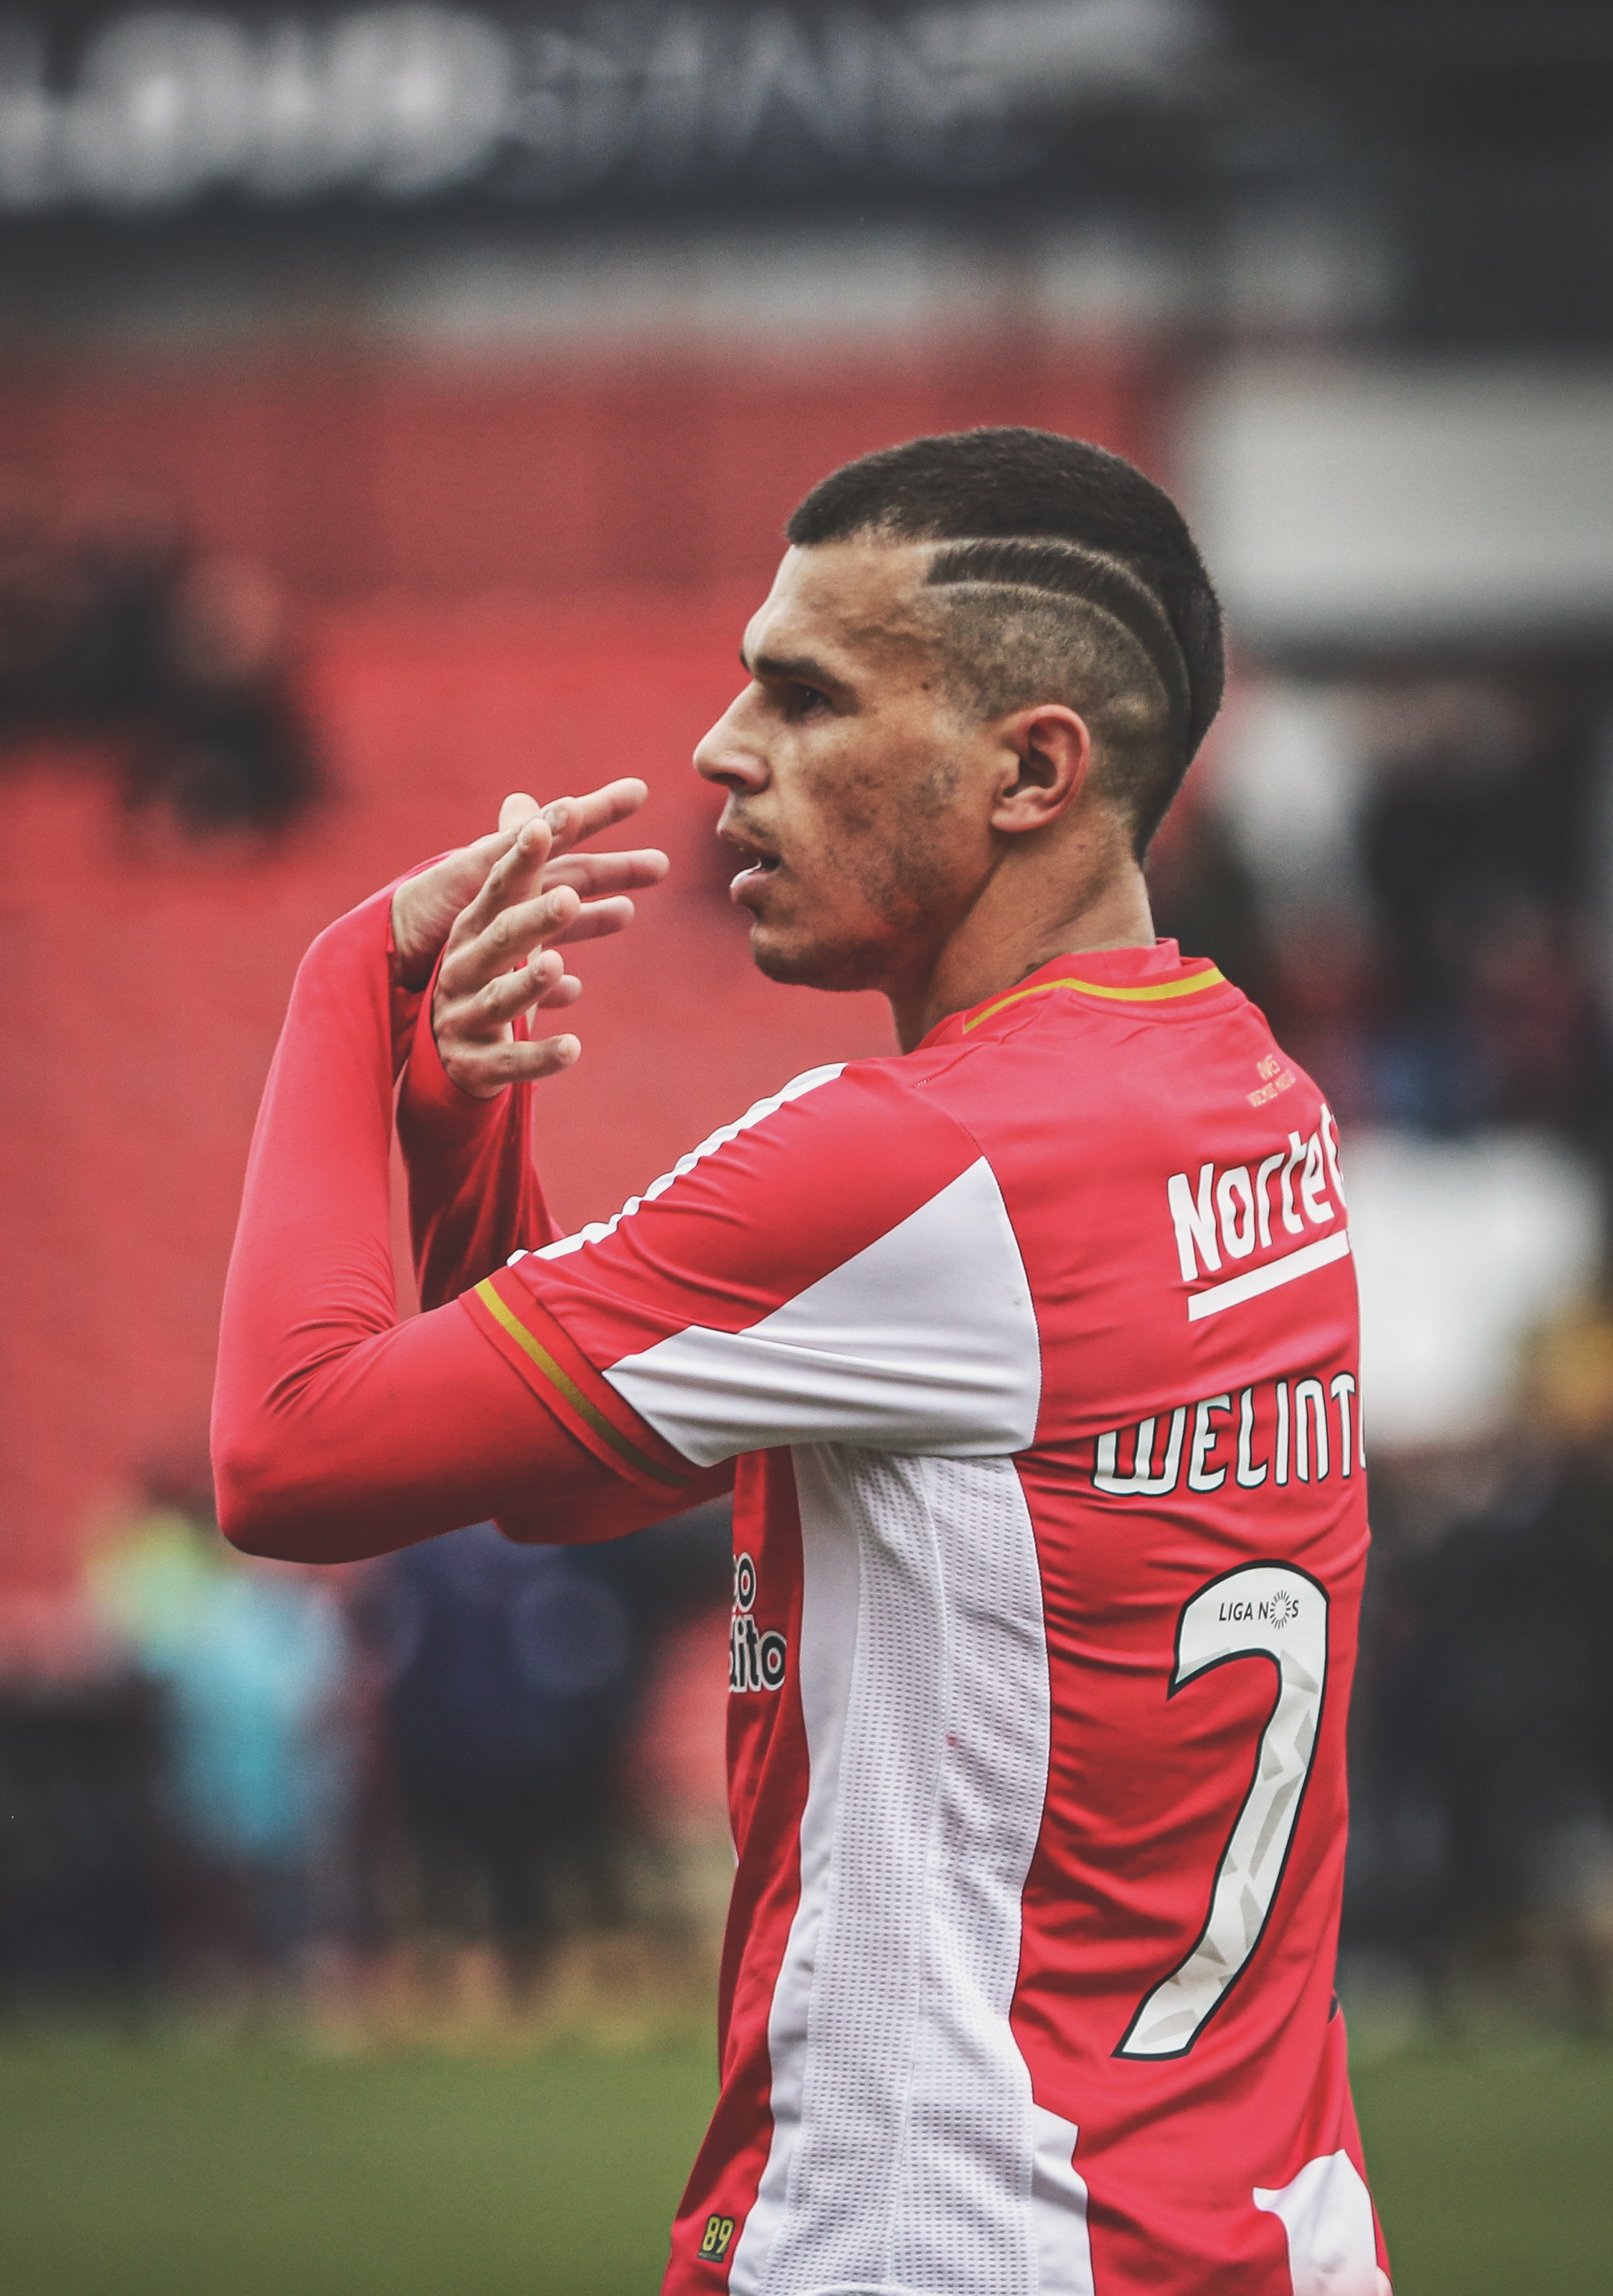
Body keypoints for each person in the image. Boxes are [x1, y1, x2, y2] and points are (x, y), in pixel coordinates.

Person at [213, 428, 1388, 2295]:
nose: (721, 747)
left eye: (808, 693)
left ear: (1032, 771)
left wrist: (341, 993)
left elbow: (287, 1455)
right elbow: (566, 1484)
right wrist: (454, 1127)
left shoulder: (917, 1162)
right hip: (1256, 2228)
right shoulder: (1246, 1095)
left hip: (950, 2233)